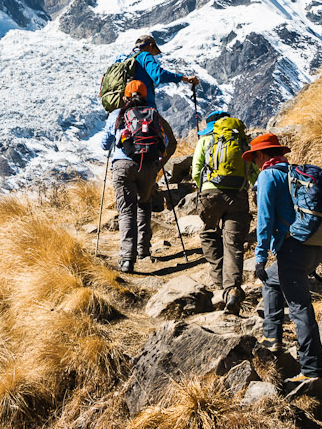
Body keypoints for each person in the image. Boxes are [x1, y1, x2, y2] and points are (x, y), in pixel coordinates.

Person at [249, 132, 322, 382]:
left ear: (262, 154)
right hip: (312, 246)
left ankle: (312, 371)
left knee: (300, 308)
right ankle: (272, 338)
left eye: (254, 158)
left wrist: (259, 257)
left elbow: (265, 219)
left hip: (292, 249)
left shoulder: (268, 175)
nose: (254, 163)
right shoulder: (293, 173)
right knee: (272, 280)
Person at [100, 80, 177, 273]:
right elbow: (168, 142)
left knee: (127, 211)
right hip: (148, 165)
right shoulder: (153, 115)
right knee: (144, 203)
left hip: (123, 165)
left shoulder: (118, 114)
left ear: (125, 97)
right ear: (145, 96)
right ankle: (143, 250)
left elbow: (104, 144)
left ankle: (127, 259)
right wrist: (158, 163)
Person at [191, 109, 255, 314]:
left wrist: (205, 190)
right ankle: (232, 290)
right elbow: (253, 171)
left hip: (210, 194)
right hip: (238, 193)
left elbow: (195, 171)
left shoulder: (205, 141)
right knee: (233, 243)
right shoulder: (242, 141)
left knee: (209, 232)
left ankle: (219, 280)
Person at [122, 33, 199, 108]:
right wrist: (184, 78)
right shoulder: (145, 55)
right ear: (150, 46)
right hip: (143, 108)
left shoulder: (126, 59)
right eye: (154, 52)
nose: (154, 54)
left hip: (124, 108)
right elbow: (158, 75)